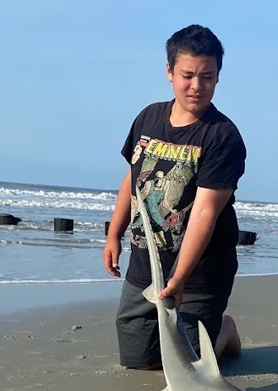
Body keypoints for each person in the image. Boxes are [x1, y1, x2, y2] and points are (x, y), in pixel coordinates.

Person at [103, 24, 245, 371]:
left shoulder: (222, 136)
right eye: (188, 75)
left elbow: (205, 214)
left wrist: (180, 278)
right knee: (139, 361)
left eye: (207, 76)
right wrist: (113, 234)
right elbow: (132, 180)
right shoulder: (148, 117)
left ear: (217, 77)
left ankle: (223, 330)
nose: (197, 86)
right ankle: (201, 330)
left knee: (189, 369)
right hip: (147, 263)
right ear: (169, 72)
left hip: (200, 273)